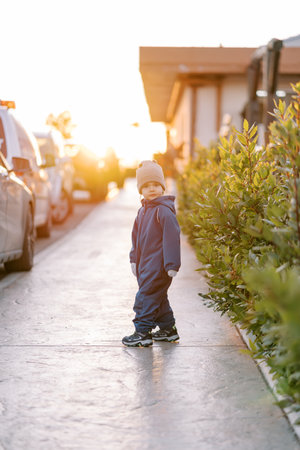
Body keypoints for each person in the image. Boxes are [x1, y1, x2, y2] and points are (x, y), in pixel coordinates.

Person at [122, 160, 181, 347]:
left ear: (163, 186)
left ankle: (142, 332)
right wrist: (134, 260)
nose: (152, 189)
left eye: (156, 184)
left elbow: (172, 238)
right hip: (145, 266)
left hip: (160, 267)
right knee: (158, 297)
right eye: (147, 186)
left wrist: (172, 264)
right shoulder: (143, 211)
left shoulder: (163, 211)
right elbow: (136, 238)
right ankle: (168, 329)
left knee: (145, 297)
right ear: (141, 189)